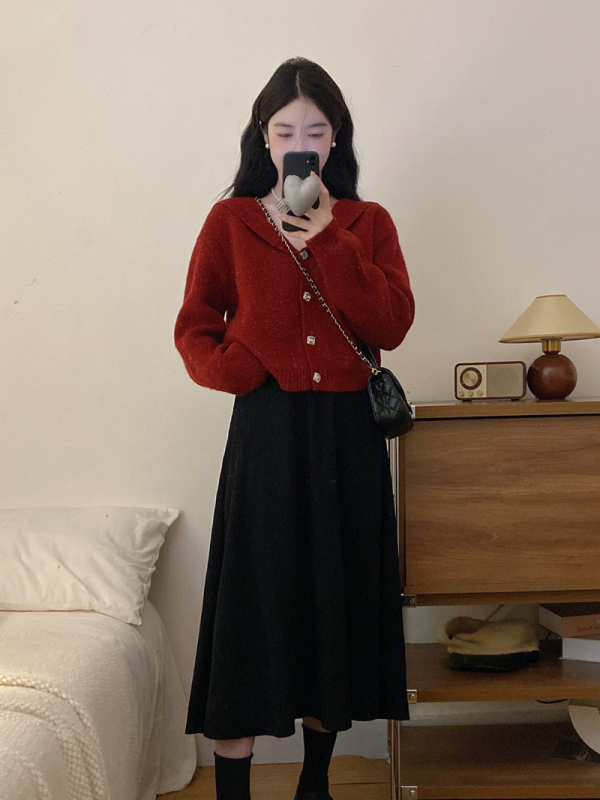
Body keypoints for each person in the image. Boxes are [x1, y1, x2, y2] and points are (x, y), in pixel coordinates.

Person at [174, 57, 415, 800]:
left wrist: (330, 240)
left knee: (331, 603)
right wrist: (241, 365)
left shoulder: (368, 224)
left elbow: (391, 324)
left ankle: (316, 785)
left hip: (348, 439)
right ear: (263, 136)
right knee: (253, 605)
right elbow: (194, 327)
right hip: (267, 434)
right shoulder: (231, 222)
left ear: (336, 137)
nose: (300, 143)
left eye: (315, 130)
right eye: (285, 131)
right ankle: (235, 791)